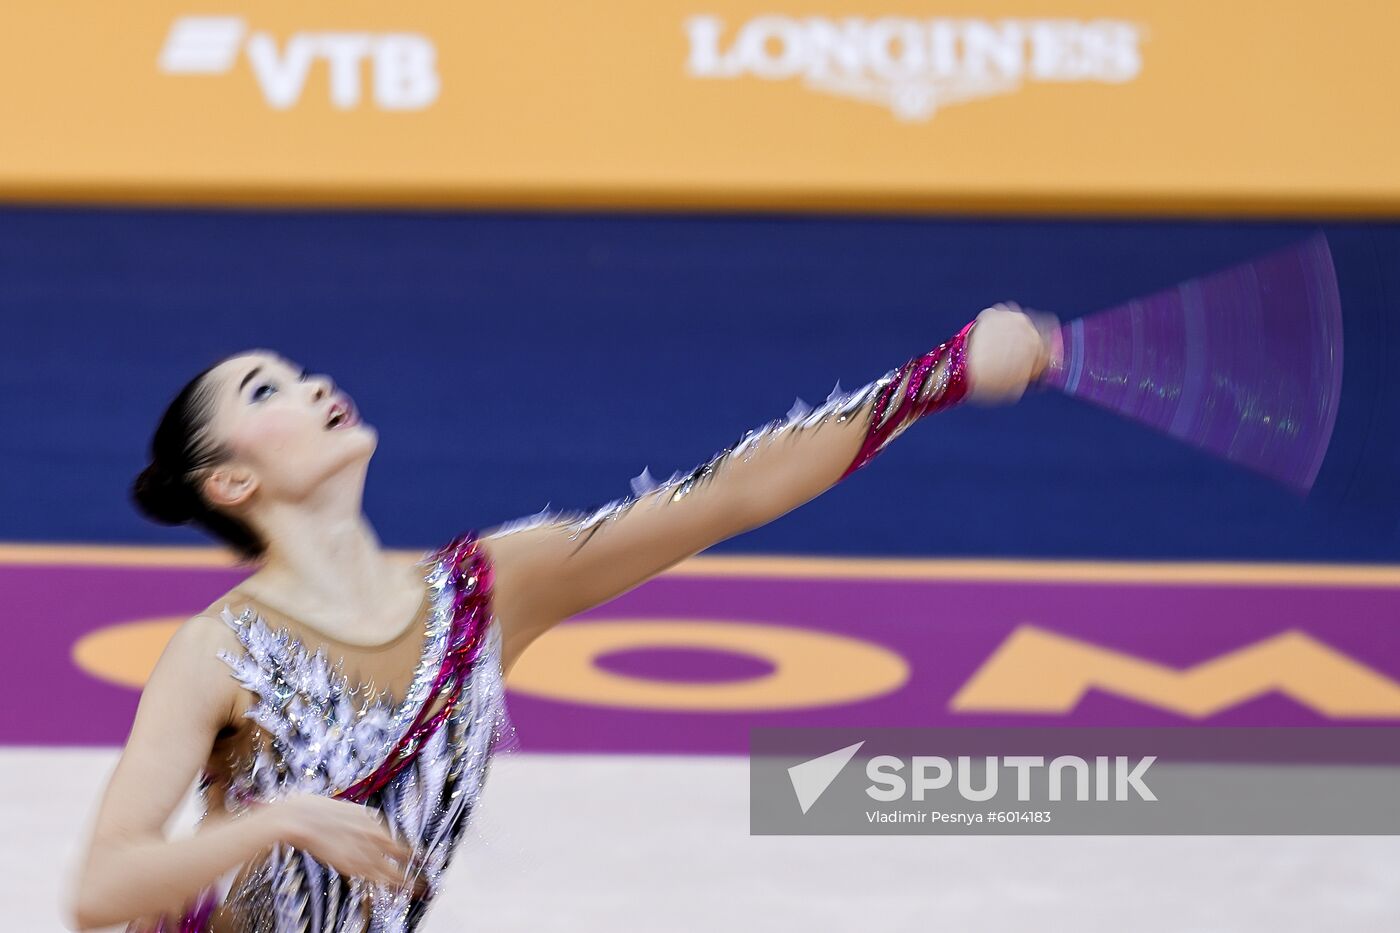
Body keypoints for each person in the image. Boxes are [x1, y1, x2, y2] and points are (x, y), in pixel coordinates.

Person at [64, 304, 1058, 932]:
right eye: (265, 388)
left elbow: (725, 495)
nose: (313, 383)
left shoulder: (482, 595)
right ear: (230, 478)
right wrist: (273, 822)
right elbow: (101, 891)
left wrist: (940, 376)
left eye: (298, 368)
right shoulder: (219, 650)